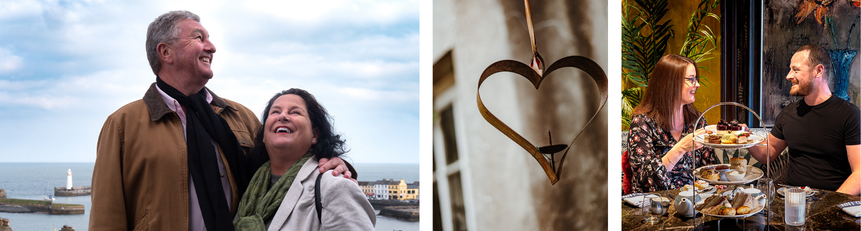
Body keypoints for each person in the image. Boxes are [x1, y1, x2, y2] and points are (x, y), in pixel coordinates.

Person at [90, 11, 351, 231]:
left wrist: (333, 161)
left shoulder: (240, 117)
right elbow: (106, 215)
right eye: (198, 38)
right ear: (166, 52)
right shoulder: (123, 125)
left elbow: (287, 160)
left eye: (209, 39)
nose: (211, 47)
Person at [234, 89, 375, 230]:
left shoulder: (335, 187)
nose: (282, 116)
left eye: (295, 112)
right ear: (264, 136)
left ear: (315, 134)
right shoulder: (249, 186)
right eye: (275, 112)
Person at [747, 44, 860, 196]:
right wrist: (744, 137)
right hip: (792, 200)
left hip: (834, 203)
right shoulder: (789, 113)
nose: (788, 76)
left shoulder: (849, 114)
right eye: (790, 69)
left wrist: (829, 205)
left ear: (818, 71)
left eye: (796, 69)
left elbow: (859, 172)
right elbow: (768, 153)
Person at [627, 54, 718, 193]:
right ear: (670, 82)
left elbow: (710, 170)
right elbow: (644, 180)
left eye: (696, 79)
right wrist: (680, 148)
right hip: (654, 207)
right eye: (691, 79)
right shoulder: (641, 123)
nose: (697, 85)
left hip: (693, 206)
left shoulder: (697, 121)